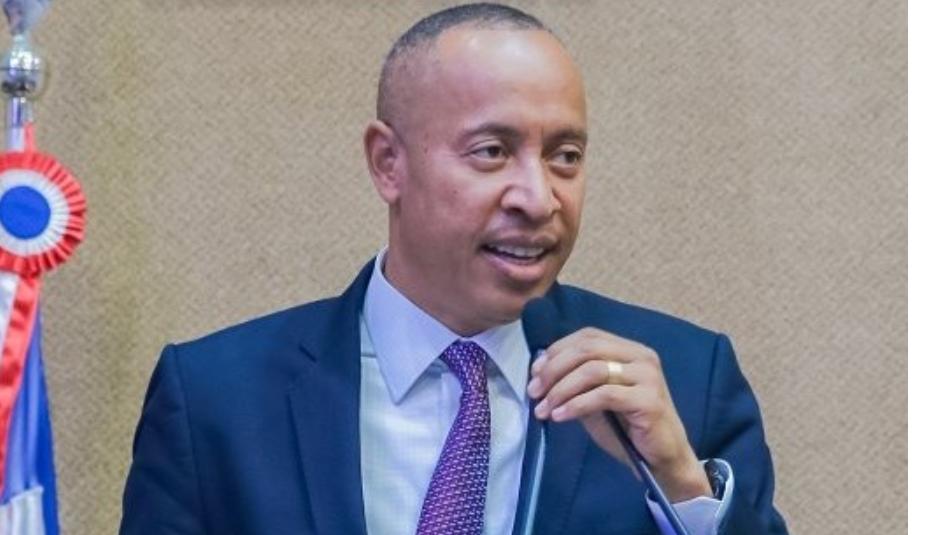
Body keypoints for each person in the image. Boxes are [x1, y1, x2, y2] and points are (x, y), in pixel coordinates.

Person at [120, 3, 787, 534]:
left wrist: (681, 485)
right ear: (388, 163)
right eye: (492, 151)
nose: (539, 198)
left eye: (565, 156)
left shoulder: (685, 383)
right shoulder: (215, 400)